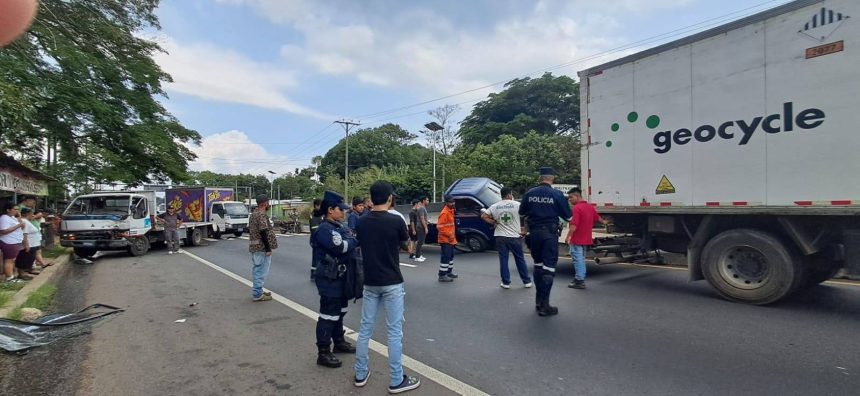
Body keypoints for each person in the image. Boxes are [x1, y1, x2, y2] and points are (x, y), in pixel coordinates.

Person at [354, 181, 421, 393]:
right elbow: (407, 245)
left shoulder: (361, 221)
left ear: (371, 199)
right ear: (390, 198)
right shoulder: (395, 221)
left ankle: (360, 373)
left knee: (365, 329)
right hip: (392, 281)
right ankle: (396, 379)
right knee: (394, 332)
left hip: (370, 282)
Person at [310, 191, 358, 368]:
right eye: (340, 209)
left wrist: (351, 242)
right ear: (330, 210)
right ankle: (323, 352)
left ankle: (338, 341)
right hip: (329, 278)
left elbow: (350, 240)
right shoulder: (324, 229)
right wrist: (351, 242)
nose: (343, 212)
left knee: (340, 311)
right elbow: (342, 247)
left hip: (341, 277)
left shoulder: (338, 227)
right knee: (328, 315)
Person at [519, 167, 572, 316]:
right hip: (549, 235)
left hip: (534, 234)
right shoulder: (557, 194)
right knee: (549, 268)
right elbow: (569, 217)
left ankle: (538, 300)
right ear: (552, 178)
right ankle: (545, 305)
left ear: (540, 178)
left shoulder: (529, 194)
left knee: (538, 265)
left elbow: (522, 213)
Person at [481, 187, 533, 289]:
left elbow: (483, 216)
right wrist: (525, 230)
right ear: (509, 194)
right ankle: (526, 281)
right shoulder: (517, 205)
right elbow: (528, 216)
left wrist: (493, 222)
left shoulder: (495, 206)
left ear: (501, 195)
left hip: (500, 236)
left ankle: (506, 283)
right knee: (520, 259)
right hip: (514, 236)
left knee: (503, 260)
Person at [566, 188, 606, 289]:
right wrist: (606, 222)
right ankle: (579, 278)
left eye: (571, 197)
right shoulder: (589, 207)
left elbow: (574, 225)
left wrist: (568, 237)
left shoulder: (576, 208)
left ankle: (579, 280)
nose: (569, 200)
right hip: (586, 239)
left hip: (577, 239)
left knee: (577, 259)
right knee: (581, 259)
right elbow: (598, 218)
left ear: (577, 196)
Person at [249, 195, 277, 302]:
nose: (269, 204)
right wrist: (268, 248)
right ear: (264, 204)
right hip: (261, 247)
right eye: (268, 202)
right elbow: (263, 231)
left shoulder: (253, 214)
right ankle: (257, 294)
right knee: (260, 271)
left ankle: (259, 290)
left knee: (258, 269)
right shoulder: (261, 215)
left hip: (255, 246)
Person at [18, 196, 47, 268]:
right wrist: (32, 217)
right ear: (28, 200)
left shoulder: (29, 209)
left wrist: (33, 217)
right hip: (29, 234)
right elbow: (25, 233)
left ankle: (34, 265)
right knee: (29, 253)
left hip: (33, 232)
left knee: (35, 251)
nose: (33, 204)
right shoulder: (21, 208)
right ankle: (30, 267)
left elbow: (39, 214)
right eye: (33, 202)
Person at [0, 202, 26, 283]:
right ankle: (9, 278)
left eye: (18, 209)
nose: (17, 211)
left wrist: (19, 217)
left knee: (12, 260)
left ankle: (12, 276)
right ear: (8, 210)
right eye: (15, 209)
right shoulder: (4, 218)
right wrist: (18, 225)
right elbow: (4, 231)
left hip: (15, 241)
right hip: (9, 242)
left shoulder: (13, 217)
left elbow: (22, 226)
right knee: (9, 260)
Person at [15, 207, 41, 277]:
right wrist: (26, 244)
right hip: (29, 244)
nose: (33, 215)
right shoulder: (24, 221)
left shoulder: (27, 221)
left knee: (29, 258)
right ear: (28, 213)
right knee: (24, 258)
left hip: (32, 244)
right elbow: (24, 234)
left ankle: (26, 272)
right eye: (32, 213)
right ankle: (21, 274)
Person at [437, 195, 458, 282]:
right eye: (451, 202)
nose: (453, 203)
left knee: (450, 256)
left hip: (451, 239)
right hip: (445, 239)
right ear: (446, 203)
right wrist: (449, 234)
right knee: (446, 257)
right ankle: (442, 275)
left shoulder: (451, 211)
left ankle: (449, 272)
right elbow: (440, 227)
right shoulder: (445, 213)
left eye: (453, 201)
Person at [309, 198, 323, 280]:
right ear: (316, 205)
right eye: (321, 205)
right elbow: (314, 229)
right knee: (316, 258)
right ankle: (314, 274)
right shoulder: (313, 215)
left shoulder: (320, 214)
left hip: (319, 239)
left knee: (320, 256)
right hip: (316, 240)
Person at [413, 196, 429, 262]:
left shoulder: (423, 208)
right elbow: (422, 218)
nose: (428, 201)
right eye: (427, 200)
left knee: (421, 242)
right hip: (421, 227)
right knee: (420, 242)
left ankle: (419, 255)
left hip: (422, 226)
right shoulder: (421, 208)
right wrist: (425, 227)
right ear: (423, 201)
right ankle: (417, 257)